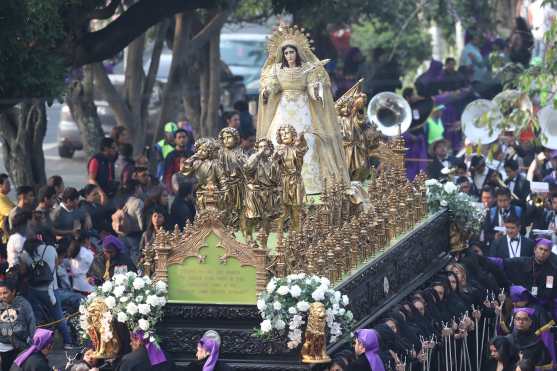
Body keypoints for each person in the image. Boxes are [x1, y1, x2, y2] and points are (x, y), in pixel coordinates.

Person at [257, 25, 350, 194]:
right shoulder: (276, 69)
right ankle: (280, 184)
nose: (289, 56)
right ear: (282, 55)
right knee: (278, 141)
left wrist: (317, 92)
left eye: (292, 52)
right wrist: (267, 92)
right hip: (284, 109)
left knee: (309, 141)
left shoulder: (307, 68)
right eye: (286, 53)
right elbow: (272, 85)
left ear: (297, 52)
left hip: (303, 109)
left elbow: (313, 86)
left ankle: (310, 185)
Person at [20, 239, 77, 350]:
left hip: (33, 291)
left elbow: (23, 271)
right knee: (59, 316)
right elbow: (57, 265)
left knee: (37, 319)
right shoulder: (50, 249)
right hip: (51, 290)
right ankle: (68, 342)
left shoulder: (24, 254)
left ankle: (38, 344)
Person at [0, 281, 35, 371]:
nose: (2, 296)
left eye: (5, 293)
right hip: (5, 347)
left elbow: (31, 323)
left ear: (13, 292)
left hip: (22, 345)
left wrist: (33, 343)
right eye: (0, 294)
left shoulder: (23, 304)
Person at [0, 175, 14, 243]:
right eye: (7, 183)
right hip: (5, 236)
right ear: (0, 185)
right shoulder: (1, 199)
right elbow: (12, 213)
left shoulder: (4, 197)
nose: (10, 185)